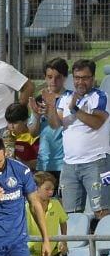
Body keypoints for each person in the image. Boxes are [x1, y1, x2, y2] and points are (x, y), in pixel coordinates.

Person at [46, 59, 110, 221]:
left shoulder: (101, 96)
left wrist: (75, 109)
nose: (80, 82)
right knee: (70, 215)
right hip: (69, 165)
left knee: (102, 212)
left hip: (97, 162)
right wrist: (51, 108)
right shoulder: (64, 98)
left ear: (93, 77)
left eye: (85, 78)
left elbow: (96, 122)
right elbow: (55, 124)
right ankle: (74, 246)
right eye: (77, 78)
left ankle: (105, 246)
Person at [28, 57, 67, 187]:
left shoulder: (70, 99)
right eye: (49, 77)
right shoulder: (40, 100)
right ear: (45, 77)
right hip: (43, 162)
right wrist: (36, 117)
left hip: (65, 162)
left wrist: (51, 111)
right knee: (43, 203)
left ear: (65, 78)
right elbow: (33, 133)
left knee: (64, 203)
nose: (53, 81)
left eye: (58, 77)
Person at [27, 171, 68, 256]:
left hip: (52, 251)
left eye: (52, 189)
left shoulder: (56, 204)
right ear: (36, 188)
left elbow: (63, 222)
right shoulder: (25, 206)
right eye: (47, 189)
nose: (51, 192)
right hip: (30, 252)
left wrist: (64, 241)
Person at [5, 102, 39, 171]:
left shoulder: (34, 137)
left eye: (15, 123)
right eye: (9, 122)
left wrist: (21, 163)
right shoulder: (8, 135)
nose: (11, 127)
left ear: (25, 121)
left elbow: (40, 163)